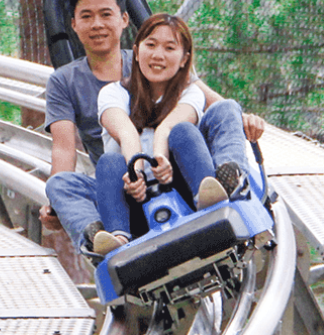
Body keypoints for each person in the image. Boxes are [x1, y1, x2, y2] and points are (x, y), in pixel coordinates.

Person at [37, 0, 264, 256]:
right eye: (87, 16)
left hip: (177, 168)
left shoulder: (165, 67)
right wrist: (135, 172)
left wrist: (243, 120)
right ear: (74, 24)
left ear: (123, 20)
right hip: (124, 183)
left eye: (105, 14)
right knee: (66, 181)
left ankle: (226, 183)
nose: (97, 24)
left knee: (220, 112)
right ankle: (101, 236)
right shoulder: (100, 89)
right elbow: (68, 147)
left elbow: (205, 104)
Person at [88, 13, 249, 254]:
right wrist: (136, 174)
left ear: (184, 59)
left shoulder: (190, 93)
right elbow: (126, 132)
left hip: (178, 184)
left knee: (186, 131)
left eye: (169, 48)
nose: (158, 55)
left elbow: (169, 127)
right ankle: (117, 237)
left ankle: (212, 195)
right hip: (134, 196)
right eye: (150, 45)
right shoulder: (113, 93)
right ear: (136, 51)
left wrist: (160, 161)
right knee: (109, 161)